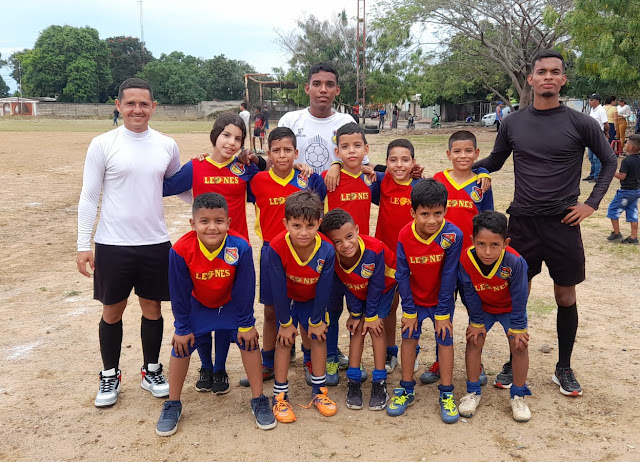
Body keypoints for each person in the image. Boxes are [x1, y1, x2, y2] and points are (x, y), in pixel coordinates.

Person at [474, 49, 617, 397]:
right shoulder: (513, 123)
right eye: (542, 71)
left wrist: (591, 204)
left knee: (564, 295)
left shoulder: (582, 123)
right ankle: (513, 359)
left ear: (563, 80)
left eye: (555, 72)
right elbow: (494, 160)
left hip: (563, 223)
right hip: (521, 222)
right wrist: (464, 170)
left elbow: (610, 162)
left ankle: (563, 367)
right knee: (515, 296)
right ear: (531, 78)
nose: (548, 77)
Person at [77, 78, 181, 407]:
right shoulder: (103, 144)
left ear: (154, 107)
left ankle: (151, 370)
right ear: (119, 105)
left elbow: (179, 187)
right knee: (113, 311)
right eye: (131, 103)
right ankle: (110, 375)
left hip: (154, 242)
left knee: (152, 309)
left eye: (144, 104)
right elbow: (89, 196)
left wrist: (218, 198)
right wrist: (83, 243)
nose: (138, 109)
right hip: (112, 244)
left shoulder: (166, 145)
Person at [155, 193, 276, 436]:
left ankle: (258, 399)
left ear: (229, 223)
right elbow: (179, 292)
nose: (212, 227)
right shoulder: (180, 250)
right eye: (205, 221)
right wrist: (182, 327)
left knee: (249, 341)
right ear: (193, 224)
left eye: (219, 221)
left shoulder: (240, 246)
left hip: (230, 305)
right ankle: (173, 403)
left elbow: (244, 288)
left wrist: (246, 323)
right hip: (197, 305)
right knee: (180, 345)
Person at [162, 113, 265, 394]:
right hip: (204, 249)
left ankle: (220, 368)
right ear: (215, 135)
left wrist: (259, 161)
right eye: (226, 135)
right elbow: (166, 185)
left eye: (238, 139)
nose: (231, 143)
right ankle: (205, 365)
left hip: (235, 253)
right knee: (204, 305)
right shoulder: (195, 166)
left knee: (227, 309)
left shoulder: (244, 170)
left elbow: (269, 181)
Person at [238, 127, 326, 387]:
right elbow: (231, 166)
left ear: (296, 152)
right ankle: (267, 361)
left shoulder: (310, 179)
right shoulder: (257, 181)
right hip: (271, 252)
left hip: (305, 252)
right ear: (268, 153)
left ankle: (310, 359)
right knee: (272, 310)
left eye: (288, 150)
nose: (282, 155)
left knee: (305, 308)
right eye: (276, 150)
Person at [387, 179, 462, 423]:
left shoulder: (453, 235)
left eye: (438, 213)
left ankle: (447, 394)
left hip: (441, 300)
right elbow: (402, 273)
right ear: (413, 212)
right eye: (425, 214)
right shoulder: (404, 234)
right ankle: (406, 389)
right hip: (414, 299)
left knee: (445, 339)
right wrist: (408, 310)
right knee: (408, 338)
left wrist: (442, 313)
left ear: (445, 211)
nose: (432, 220)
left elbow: (450, 274)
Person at [422, 130, 493, 386]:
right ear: (448, 154)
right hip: (443, 261)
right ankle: (442, 361)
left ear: (477, 154)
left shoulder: (481, 184)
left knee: (476, 312)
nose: (462, 156)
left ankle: (478, 361)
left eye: (468, 151)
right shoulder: (438, 181)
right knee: (444, 312)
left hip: (471, 262)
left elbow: (488, 222)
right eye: (457, 151)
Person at [268, 191, 338, 423]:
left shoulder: (326, 249)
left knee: (318, 336)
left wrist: (317, 321)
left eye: (310, 225)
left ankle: (319, 393)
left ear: (319, 222)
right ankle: (280, 395)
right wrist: (285, 323)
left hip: (312, 298)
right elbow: (277, 287)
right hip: (286, 298)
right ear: (285, 223)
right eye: (296, 225)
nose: (303, 232)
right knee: (284, 339)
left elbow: (324, 288)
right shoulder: (277, 246)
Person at [457, 211, 532, 422]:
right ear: (472, 241)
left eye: (495, 245)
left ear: (505, 242)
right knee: (473, 340)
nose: (487, 251)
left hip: (510, 308)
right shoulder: (465, 258)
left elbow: (520, 295)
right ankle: (472, 392)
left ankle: (518, 395)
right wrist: (476, 321)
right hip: (483, 308)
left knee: (519, 345)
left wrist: (518, 326)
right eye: (481, 244)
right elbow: (469, 291)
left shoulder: (515, 262)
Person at [321, 209, 396, 411]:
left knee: (374, 328)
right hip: (358, 289)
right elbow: (348, 284)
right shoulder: (332, 257)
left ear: (357, 229)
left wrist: (371, 315)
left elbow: (378, 284)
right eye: (337, 242)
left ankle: (379, 381)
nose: (345, 245)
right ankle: (353, 381)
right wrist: (355, 314)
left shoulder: (374, 249)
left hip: (384, 288)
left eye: (349, 236)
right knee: (357, 327)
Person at [323, 123, 375, 385]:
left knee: (358, 312)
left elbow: (400, 181)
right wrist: (334, 166)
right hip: (333, 261)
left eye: (357, 146)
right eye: (345, 147)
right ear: (337, 151)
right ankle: (331, 357)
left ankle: (356, 360)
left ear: (366, 149)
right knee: (331, 310)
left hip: (360, 260)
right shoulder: (328, 178)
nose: (351, 151)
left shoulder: (370, 178)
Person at [371, 139, 420, 373]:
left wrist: (483, 172)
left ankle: (413, 350)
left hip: (414, 259)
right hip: (387, 257)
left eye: (405, 160)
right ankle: (391, 351)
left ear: (414, 162)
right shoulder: (382, 181)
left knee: (414, 307)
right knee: (389, 306)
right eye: (393, 160)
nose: (399, 165)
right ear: (386, 162)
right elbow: (361, 168)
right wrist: (337, 164)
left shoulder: (421, 186)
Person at [278, 63, 364, 175]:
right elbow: (274, 161)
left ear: (337, 90)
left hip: (335, 191)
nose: (323, 90)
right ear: (307, 88)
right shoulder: (289, 121)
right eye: (317, 84)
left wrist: (337, 165)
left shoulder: (347, 122)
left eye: (330, 85)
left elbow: (361, 165)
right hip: (299, 191)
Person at [606, 134, 640, 245]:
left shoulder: (626, 161)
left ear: (630, 147)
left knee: (613, 209)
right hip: (636, 191)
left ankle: (616, 233)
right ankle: (633, 237)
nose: (625, 145)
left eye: (626, 143)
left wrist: (611, 171)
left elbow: (622, 176)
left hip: (626, 192)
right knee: (632, 212)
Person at [584, 94, 609, 183]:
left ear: (597, 101)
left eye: (592, 100)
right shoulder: (592, 109)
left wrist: (606, 133)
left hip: (598, 134)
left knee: (596, 157)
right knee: (590, 156)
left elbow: (605, 124)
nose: (590, 101)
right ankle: (592, 174)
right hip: (591, 134)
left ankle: (597, 176)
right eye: (590, 100)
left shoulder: (601, 110)